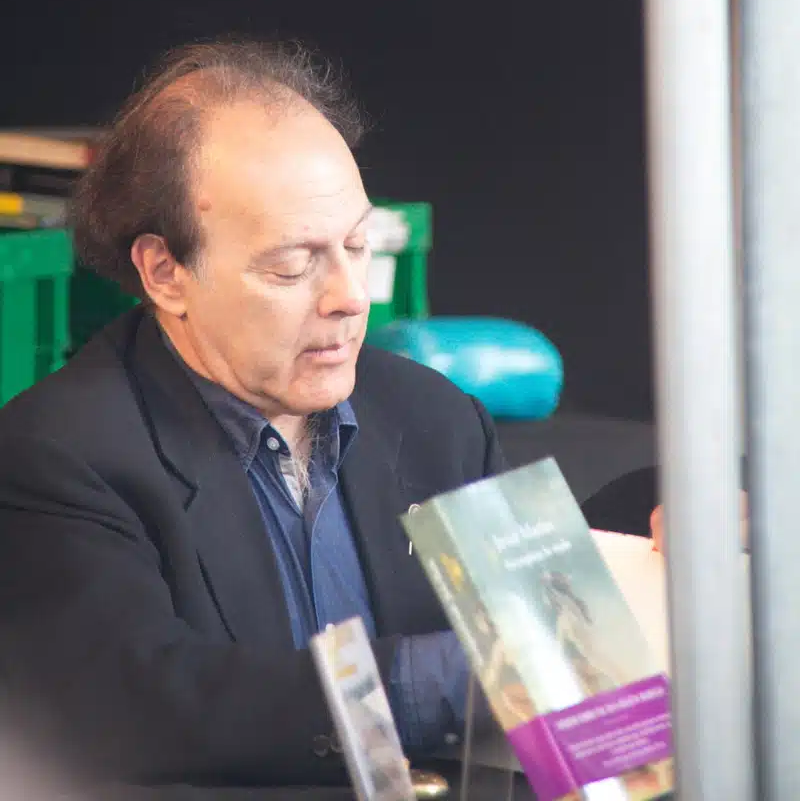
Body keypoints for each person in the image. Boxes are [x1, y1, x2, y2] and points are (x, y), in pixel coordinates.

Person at [0, 41, 504, 796]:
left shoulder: (438, 418)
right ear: (165, 273)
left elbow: (550, 629)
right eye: (292, 265)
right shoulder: (57, 455)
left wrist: (653, 530)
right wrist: (410, 685)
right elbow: (143, 708)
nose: (349, 297)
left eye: (358, 245)